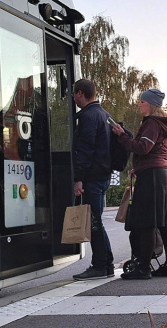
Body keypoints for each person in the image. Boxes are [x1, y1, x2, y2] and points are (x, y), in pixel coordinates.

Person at [111, 89, 167, 280]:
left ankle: (144, 268)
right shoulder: (163, 124)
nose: (139, 104)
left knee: (148, 223)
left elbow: (143, 147)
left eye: (142, 101)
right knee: (163, 223)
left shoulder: (152, 124)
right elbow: (154, 152)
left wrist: (122, 136)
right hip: (162, 174)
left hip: (152, 177)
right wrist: (139, 167)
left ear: (151, 104)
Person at [71, 79, 115, 280]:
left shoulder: (88, 116)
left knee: (94, 223)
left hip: (92, 177)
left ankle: (99, 266)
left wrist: (78, 179)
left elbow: (85, 150)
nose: (74, 98)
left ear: (80, 93)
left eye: (74, 94)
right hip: (104, 175)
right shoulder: (104, 115)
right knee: (96, 221)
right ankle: (107, 264)